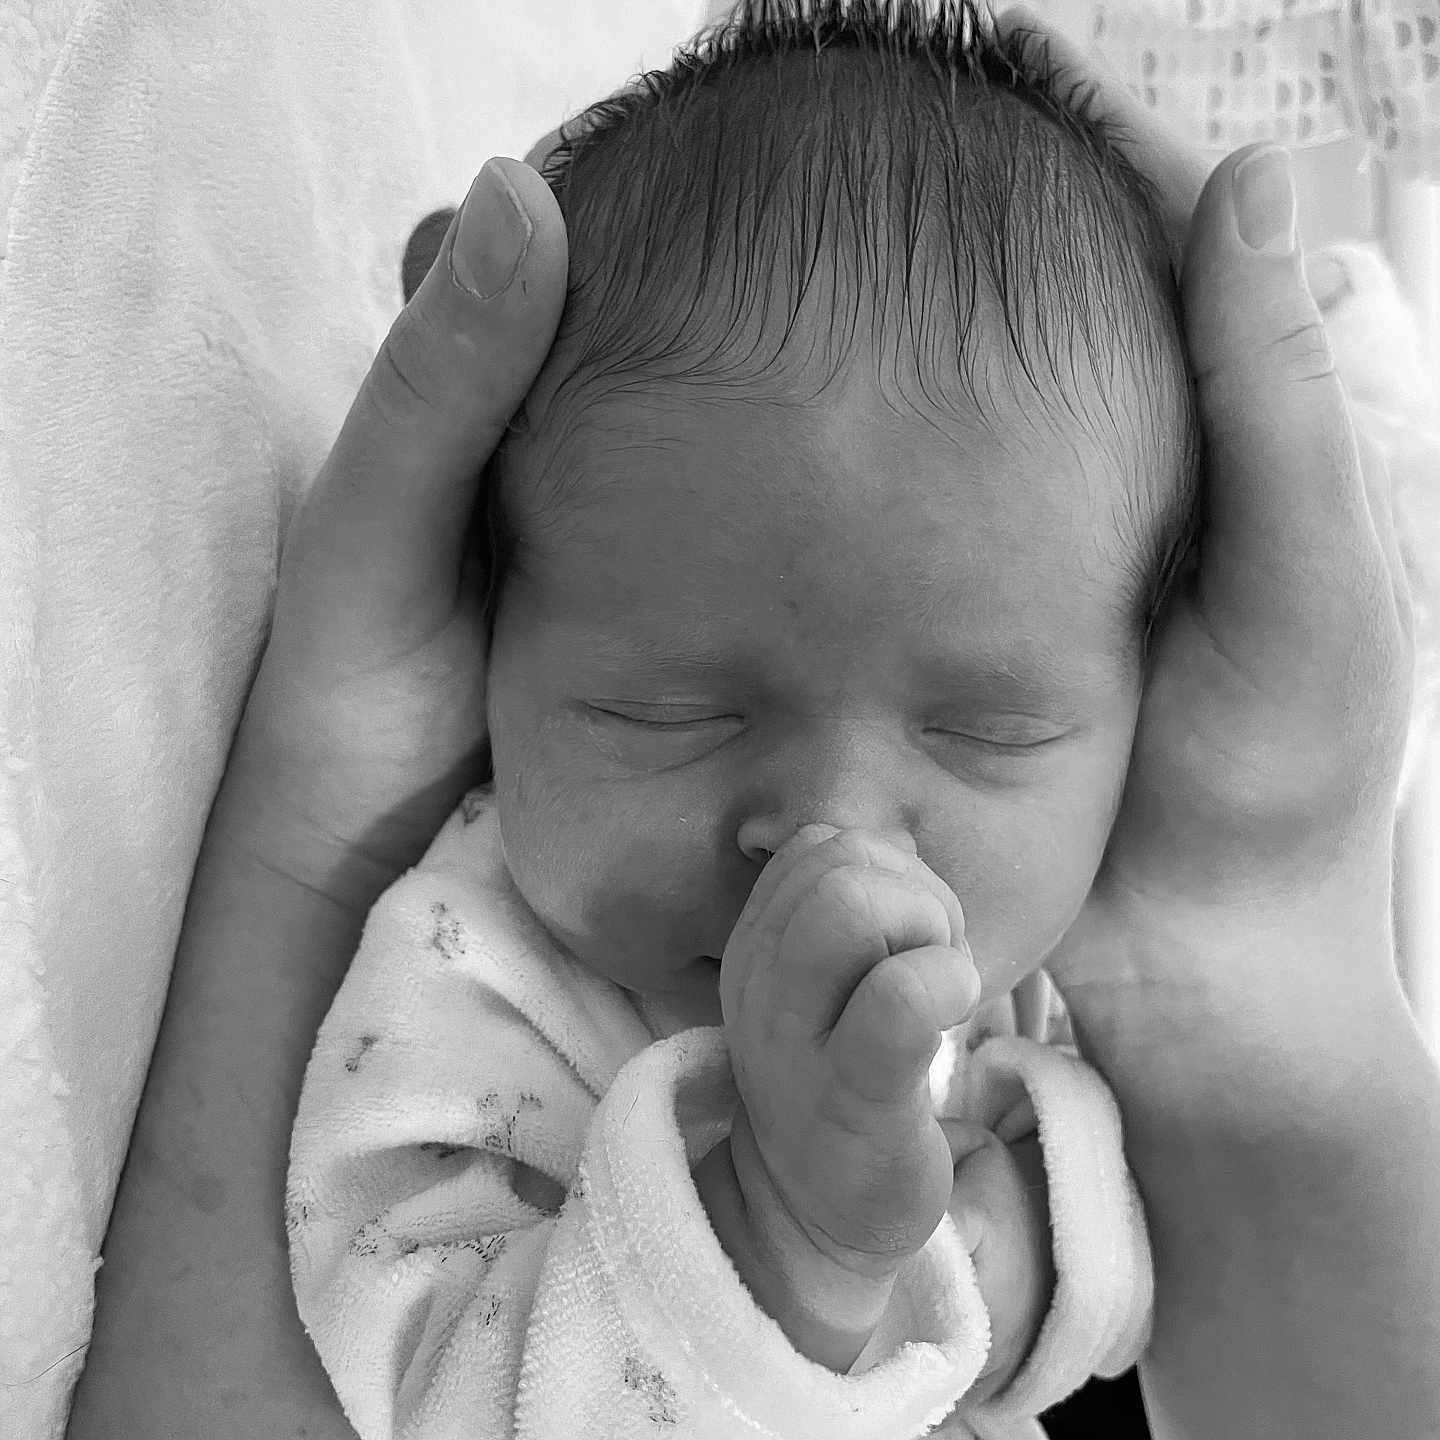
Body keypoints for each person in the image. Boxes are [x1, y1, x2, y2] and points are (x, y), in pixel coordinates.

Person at [65, 4, 1440, 1440]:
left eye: (986, 731)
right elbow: (424, 1371)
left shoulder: (1028, 994)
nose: (830, 829)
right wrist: (785, 1249)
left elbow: (1103, 1260)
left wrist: (1012, 1251)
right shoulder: (472, 985)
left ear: (1139, 707)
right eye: (665, 711)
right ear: (492, 614)